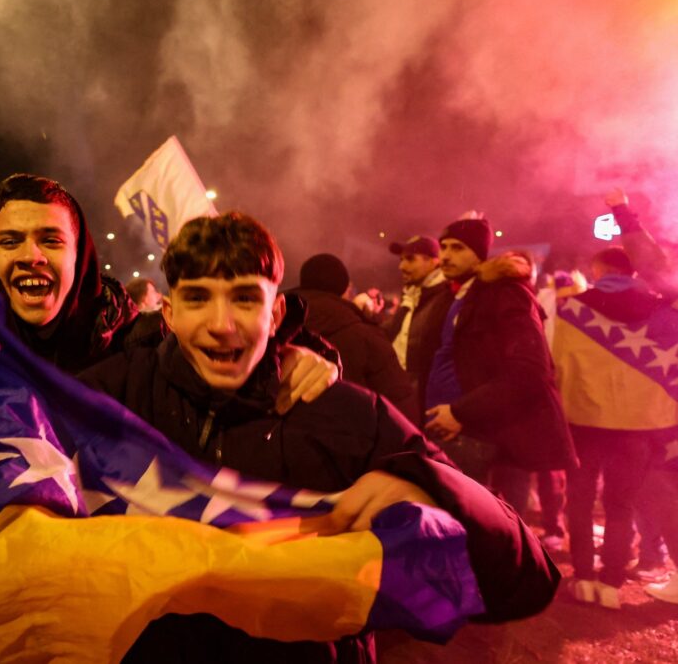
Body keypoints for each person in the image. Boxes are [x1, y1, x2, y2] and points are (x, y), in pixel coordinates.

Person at [80, 212, 561, 663]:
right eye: (198, 298)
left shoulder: (350, 415)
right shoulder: (104, 399)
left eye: (245, 299)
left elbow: (523, 576)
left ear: (276, 314)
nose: (222, 325)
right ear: (168, 312)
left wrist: (428, 489)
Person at [0, 173, 339, 410]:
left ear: (81, 259)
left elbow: (216, 341)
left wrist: (288, 355)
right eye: (10, 241)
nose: (31, 255)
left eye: (51, 240)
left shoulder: (128, 337)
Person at [422, 214, 576, 515]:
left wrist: (460, 411)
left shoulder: (507, 293)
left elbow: (529, 370)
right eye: (444, 246)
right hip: (458, 436)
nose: (447, 254)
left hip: (493, 441)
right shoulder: (457, 295)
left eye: (459, 247)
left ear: (480, 255)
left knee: (492, 537)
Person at [553, 245, 678, 609]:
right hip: (639, 425)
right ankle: (611, 584)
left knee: (580, 501)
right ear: (633, 272)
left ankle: (583, 578)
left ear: (598, 269)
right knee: (621, 504)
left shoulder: (572, 307)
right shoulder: (660, 310)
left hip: (584, 421)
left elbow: (558, 362)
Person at [289, 252, 416, 420]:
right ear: (343, 288)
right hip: (348, 438)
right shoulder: (365, 336)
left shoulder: (273, 321)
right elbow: (400, 402)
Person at [382, 235, 448, 425]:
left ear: (434, 262)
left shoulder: (445, 298)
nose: (402, 266)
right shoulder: (412, 295)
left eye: (410, 259)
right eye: (401, 259)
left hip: (427, 404)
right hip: (404, 394)